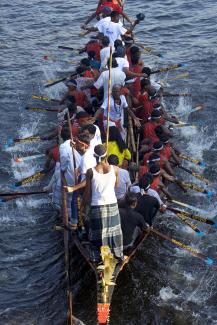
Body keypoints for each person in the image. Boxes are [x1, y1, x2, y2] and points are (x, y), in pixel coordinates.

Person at [82, 144, 124, 263]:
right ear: (106, 155)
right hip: (112, 204)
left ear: (95, 156)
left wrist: (82, 206)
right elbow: (116, 185)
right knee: (114, 232)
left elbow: (87, 193)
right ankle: (117, 255)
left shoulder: (91, 171)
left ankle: (97, 258)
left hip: (97, 206)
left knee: (98, 233)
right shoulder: (115, 169)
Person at [59, 127, 81, 228]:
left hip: (73, 173)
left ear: (61, 137)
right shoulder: (74, 143)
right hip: (78, 173)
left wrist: (62, 171)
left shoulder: (63, 147)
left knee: (71, 198)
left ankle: (72, 220)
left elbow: (63, 162)